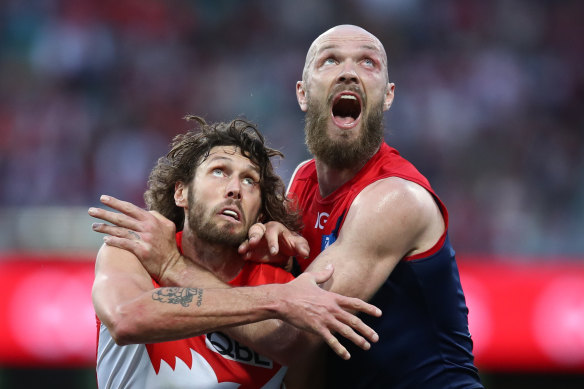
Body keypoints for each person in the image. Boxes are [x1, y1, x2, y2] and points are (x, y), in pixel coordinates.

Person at [92, 24, 484, 388]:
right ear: (302, 93)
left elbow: (295, 337)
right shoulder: (301, 183)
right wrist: (281, 241)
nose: (349, 72)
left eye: (368, 62)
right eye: (330, 60)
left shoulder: (394, 199)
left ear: (388, 96)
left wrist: (174, 266)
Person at [90, 115, 381, 388]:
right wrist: (276, 301)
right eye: (218, 171)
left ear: (260, 212)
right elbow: (127, 318)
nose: (234, 189)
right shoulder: (133, 252)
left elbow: (300, 368)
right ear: (181, 193)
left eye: (249, 180)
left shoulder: (286, 286)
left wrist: (282, 290)